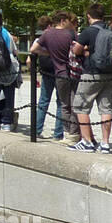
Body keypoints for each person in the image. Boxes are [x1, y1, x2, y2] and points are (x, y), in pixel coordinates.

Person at [69, 4, 112, 153]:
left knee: (81, 106)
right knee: (105, 107)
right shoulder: (110, 30)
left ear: (89, 16)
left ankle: (87, 142)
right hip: (110, 73)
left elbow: (76, 50)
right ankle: (105, 143)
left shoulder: (88, 31)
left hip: (91, 73)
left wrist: (84, 50)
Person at [31, 12, 75, 140]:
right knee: (61, 103)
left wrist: (47, 53)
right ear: (62, 21)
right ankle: (58, 133)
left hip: (47, 71)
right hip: (63, 72)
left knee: (43, 101)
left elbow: (33, 49)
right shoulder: (70, 34)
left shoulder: (47, 34)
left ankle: (37, 130)